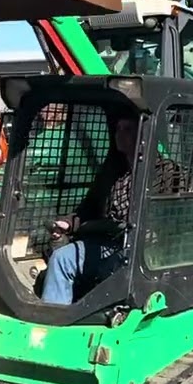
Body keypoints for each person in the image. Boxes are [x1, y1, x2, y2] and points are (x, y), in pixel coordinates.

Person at [40, 112, 140, 305]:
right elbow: (89, 208)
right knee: (61, 258)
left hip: (138, 249)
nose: (120, 135)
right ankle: (53, 317)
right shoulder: (112, 173)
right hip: (105, 242)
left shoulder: (163, 173)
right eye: (118, 129)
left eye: (127, 129)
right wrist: (68, 223)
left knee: (114, 268)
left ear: (143, 135)